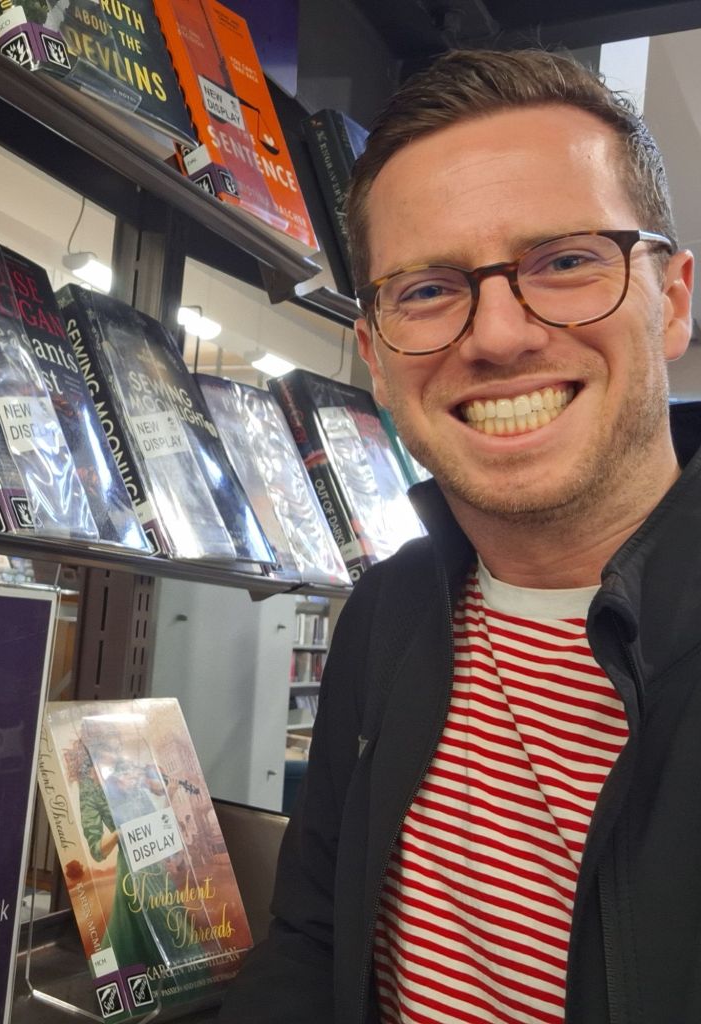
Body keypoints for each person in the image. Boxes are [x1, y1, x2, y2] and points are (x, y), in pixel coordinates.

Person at [219, 48, 699, 1024]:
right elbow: (310, 943)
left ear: (674, 301)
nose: (496, 335)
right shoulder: (390, 612)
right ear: (376, 356)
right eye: (429, 288)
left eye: (564, 262)